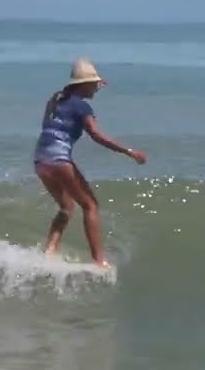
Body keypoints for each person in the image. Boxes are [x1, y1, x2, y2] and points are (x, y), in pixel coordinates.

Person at [31, 57, 147, 268]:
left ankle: (49, 250)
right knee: (90, 206)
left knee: (66, 207)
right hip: (59, 159)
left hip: (40, 160)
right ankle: (99, 260)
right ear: (83, 85)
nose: (96, 88)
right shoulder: (82, 107)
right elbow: (96, 135)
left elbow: (46, 127)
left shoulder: (56, 100)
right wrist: (129, 152)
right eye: (94, 84)